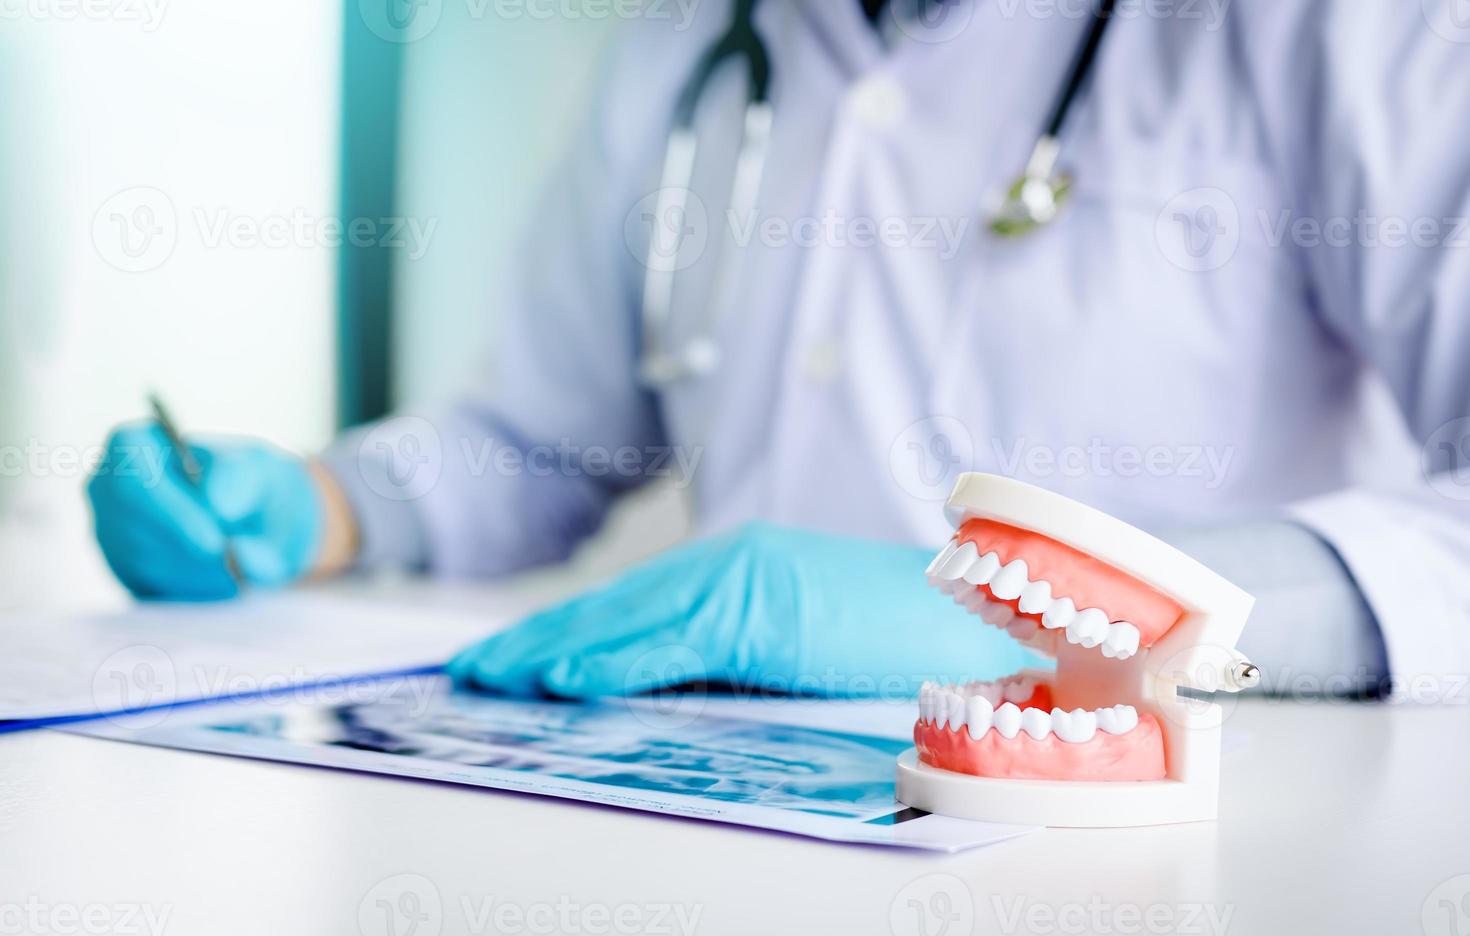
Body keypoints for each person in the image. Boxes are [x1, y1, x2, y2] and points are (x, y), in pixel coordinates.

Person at [87, 0, 1470, 703]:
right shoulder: (696, 41)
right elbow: (542, 437)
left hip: (1163, 816)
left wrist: (1045, 615)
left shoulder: (1334, 31)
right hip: (728, 811)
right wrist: (315, 505)